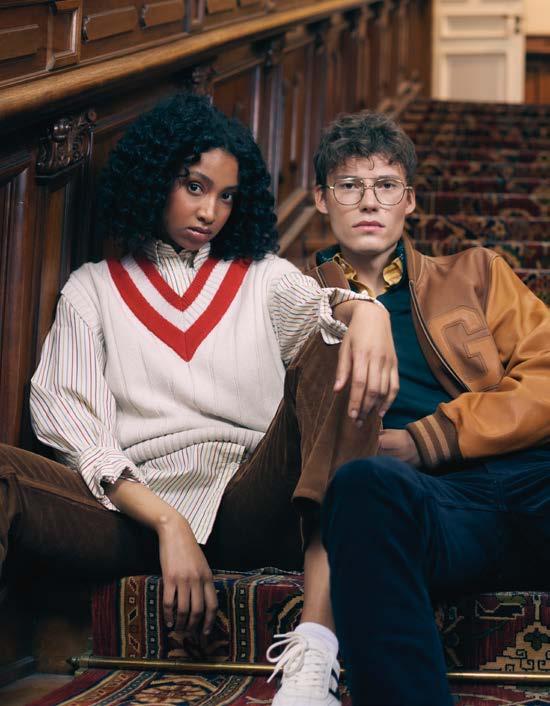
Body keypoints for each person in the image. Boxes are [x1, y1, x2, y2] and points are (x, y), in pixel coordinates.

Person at [0, 94, 398, 705]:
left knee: (335, 342)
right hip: (130, 516)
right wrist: (169, 522)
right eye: (194, 186)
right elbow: (73, 425)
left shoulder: (263, 275)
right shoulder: (92, 289)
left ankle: (316, 647)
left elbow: (327, 320)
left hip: (251, 501)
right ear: (155, 178)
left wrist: (367, 312)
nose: (210, 211)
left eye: (227, 196)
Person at [302, 110, 550, 705]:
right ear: (320, 199)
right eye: (349, 185)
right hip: (431, 508)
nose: (369, 200)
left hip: (530, 475)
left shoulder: (476, 274)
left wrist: (429, 438)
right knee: (363, 488)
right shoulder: (296, 302)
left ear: (409, 200)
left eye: (386, 185)